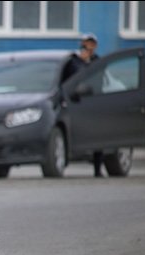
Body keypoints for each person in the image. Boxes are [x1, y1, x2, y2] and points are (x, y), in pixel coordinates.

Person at [63, 33, 105, 177]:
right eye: (87, 43)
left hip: (94, 103)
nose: (89, 46)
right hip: (77, 103)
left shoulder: (97, 61)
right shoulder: (74, 61)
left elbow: (99, 80)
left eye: (92, 43)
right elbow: (69, 81)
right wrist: (83, 62)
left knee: (98, 137)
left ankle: (98, 169)